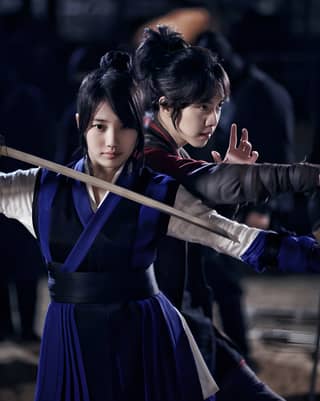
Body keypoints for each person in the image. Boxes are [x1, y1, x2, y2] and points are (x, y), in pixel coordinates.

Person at [1, 49, 320, 401]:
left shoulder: (156, 191)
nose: (111, 142)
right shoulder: (37, 188)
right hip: (69, 335)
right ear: (81, 124)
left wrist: (312, 254)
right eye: (99, 126)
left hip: (144, 335)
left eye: (125, 127)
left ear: (139, 129)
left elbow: (238, 240)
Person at [133, 25, 320, 400]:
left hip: (190, 319)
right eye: (203, 106)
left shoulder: (171, 151)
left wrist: (231, 176)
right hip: (165, 330)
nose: (213, 118)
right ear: (167, 104)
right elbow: (208, 190)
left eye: (218, 106)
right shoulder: (152, 159)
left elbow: (204, 221)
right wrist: (311, 176)